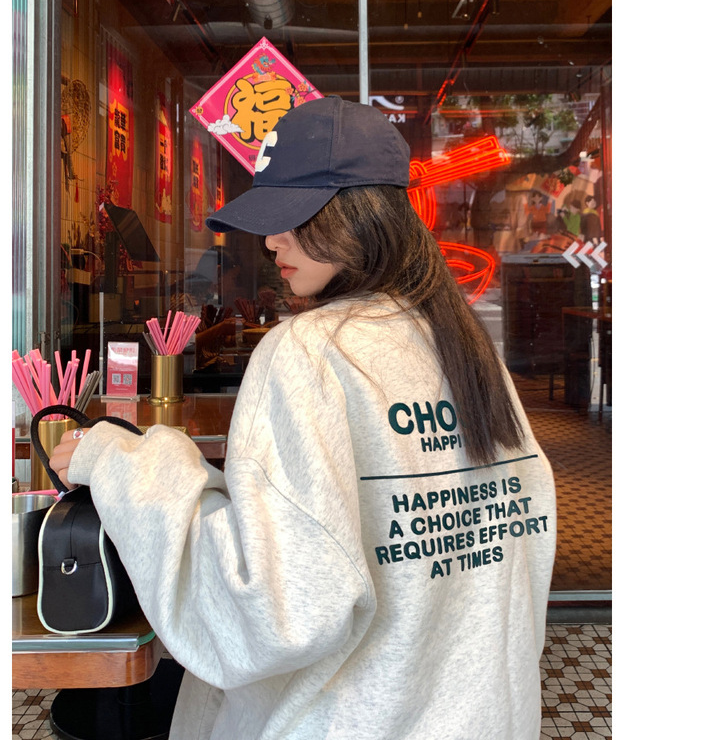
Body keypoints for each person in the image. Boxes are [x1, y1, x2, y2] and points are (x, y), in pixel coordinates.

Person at [50, 96, 557, 740]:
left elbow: (275, 605)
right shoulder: (464, 346)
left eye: (293, 217)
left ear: (360, 216)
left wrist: (123, 461)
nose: (271, 240)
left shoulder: (309, 350)